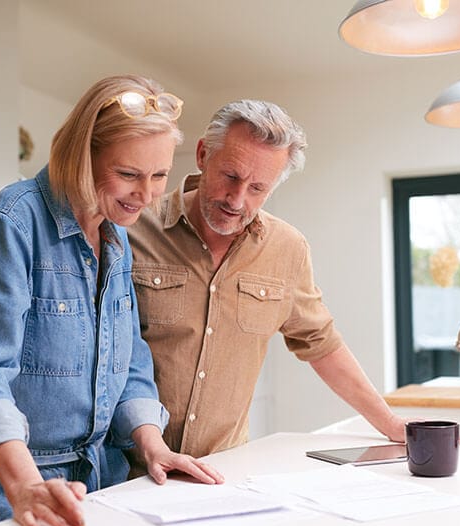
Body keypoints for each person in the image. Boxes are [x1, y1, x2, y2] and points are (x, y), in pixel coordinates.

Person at [0, 75, 223, 526]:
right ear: (79, 157)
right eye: (129, 173)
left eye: (160, 174)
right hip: (6, 486)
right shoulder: (15, 220)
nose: (148, 193)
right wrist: (24, 486)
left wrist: (152, 445)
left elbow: (130, 357)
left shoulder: (116, 238)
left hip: (97, 477)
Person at [128, 99, 441, 460]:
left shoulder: (287, 249)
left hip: (221, 469)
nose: (237, 199)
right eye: (231, 176)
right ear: (202, 155)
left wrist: (389, 422)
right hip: (125, 469)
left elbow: (322, 344)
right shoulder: (134, 228)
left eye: (258, 188)